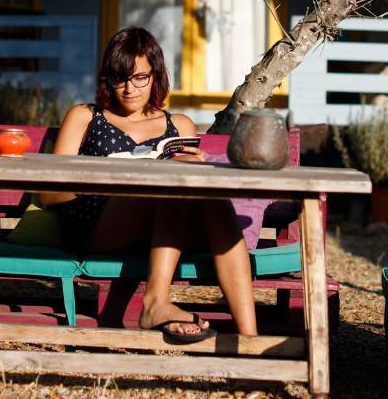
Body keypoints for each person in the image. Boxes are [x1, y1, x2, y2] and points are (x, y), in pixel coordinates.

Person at [37, 26, 257, 343]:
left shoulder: (178, 124)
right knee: (170, 183)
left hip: (165, 231)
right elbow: (48, 194)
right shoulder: (86, 116)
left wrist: (197, 165)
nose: (129, 89)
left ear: (155, 76)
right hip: (99, 226)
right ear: (107, 79)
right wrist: (109, 181)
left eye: (140, 77)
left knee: (213, 199)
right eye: (119, 78)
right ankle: (155, 303)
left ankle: (250, 339)